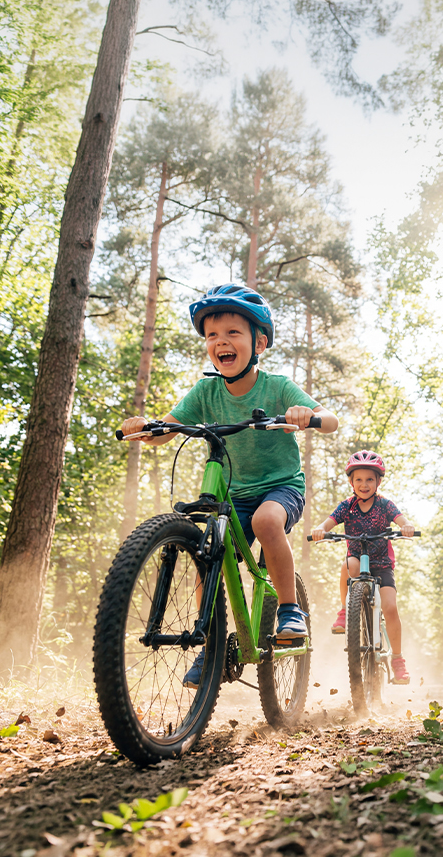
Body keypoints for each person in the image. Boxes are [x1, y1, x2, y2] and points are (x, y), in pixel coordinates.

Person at [119, 282, 339, 683]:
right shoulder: (206, 391)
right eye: (211, 335)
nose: (220, 341)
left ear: (260, 342)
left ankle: (290, 609)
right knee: (208, 558)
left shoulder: (277, 386)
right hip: (234, 495)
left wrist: (307, 415)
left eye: (233, 333)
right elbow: (168, 428)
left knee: (267, 523)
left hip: (279, 488)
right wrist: (145, 427)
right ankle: (214, 645)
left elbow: (330, 419)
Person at [311, 451, 416, 685]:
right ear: (351, 482)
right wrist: (320, 529)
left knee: (390, 608)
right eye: (358, 479)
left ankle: (398, 660)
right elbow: (328, 522)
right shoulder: (346, 506)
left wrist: (406, 526)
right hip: (357, 560)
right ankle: (345, 611)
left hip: (382, 564)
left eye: (370, 479)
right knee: (348, 563)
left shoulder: (384, 505)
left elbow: (400, 519)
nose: (364, 484)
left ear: (378, 482)